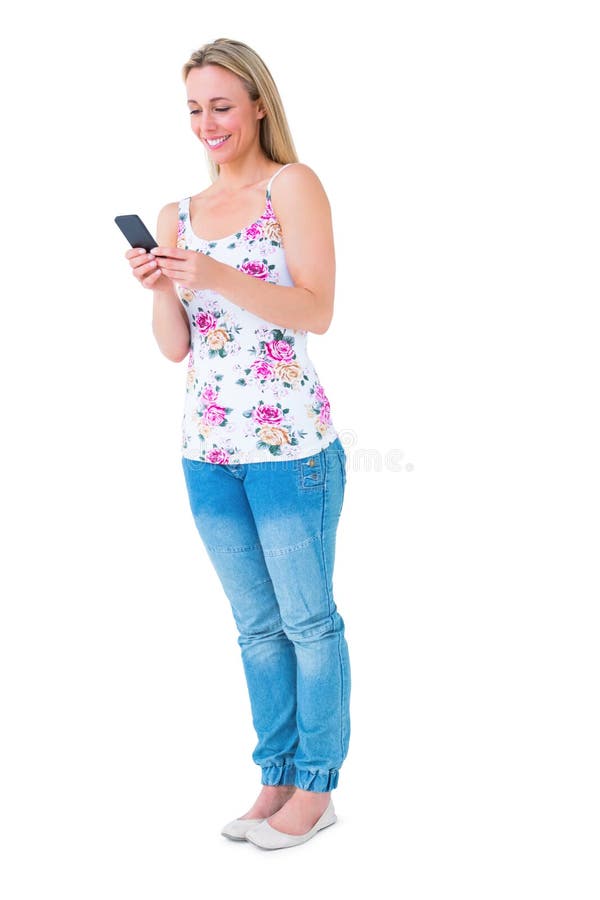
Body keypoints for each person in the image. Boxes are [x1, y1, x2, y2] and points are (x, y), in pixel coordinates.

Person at [124, 37, 350, 851]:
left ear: (257, 103)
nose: (207, 123)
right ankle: (277, 774)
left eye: (221, 105)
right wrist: (161, 288)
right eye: (194, 108)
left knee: (308, 622)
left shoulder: (293, 185)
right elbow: (177, 348)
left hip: (290, 443)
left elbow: (315, 309)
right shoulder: (174, 215)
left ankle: (318, 788)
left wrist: (215, 276)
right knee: (258, 627)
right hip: (207, 447)